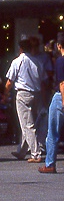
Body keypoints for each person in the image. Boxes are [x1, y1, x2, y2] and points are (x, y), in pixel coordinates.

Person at [5, 37, 45, 163]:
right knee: (28, 122)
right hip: (36, 93)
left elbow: (10, 81)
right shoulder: (37, 62)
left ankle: (36, 153)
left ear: (20, 48)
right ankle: (22, 150)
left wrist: (5, 94)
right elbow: (43, 80)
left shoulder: (17, 61)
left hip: (23, 93)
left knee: (27, 124)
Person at [39, 35, 64, 174]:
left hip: (60, 97)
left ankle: (50, 163)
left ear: (59, 46)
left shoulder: (61, 61)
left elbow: (62, 83)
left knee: (53, 132)